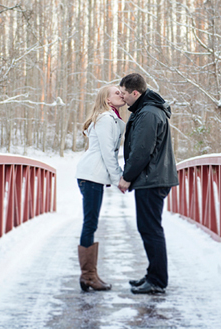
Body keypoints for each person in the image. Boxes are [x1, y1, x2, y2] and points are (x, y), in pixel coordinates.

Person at [117, 73, 179, 295]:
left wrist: (127, 177)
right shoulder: (148, 110)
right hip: (152, 178)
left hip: (151, 179)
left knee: (150, 229)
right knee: (149, 228)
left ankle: (157, 281)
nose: (121, 96)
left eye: (124, 92)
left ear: (135, 93)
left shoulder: (149, 113)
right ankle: (153, 274)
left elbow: (142, 151)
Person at [74, 85, 127, 291]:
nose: (121, 95)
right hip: (91, 175)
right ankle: (88, 275)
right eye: (117, 93)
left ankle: (89, 274)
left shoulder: (111, 118)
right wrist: (118, 179)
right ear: (107, 100)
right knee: (90, 224)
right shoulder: (106, 119)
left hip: (91, 176)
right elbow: (107, 152)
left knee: (91, 223)